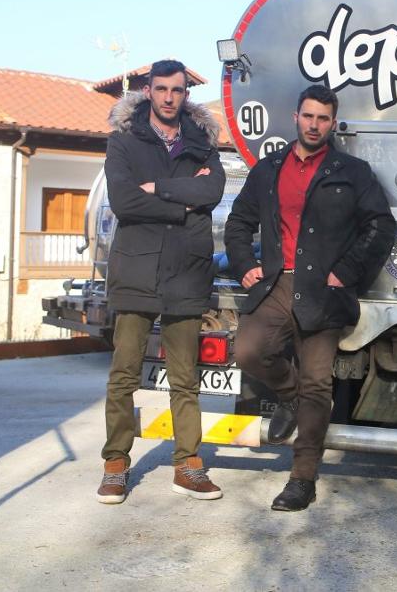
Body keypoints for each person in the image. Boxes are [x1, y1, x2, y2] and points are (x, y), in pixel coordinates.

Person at [224, 84, 395, 511]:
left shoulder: (352, 171)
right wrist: (245, 263)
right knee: (247, 351)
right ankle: (288, 397)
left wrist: (346, 272)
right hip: (277, 284)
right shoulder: (268, 169)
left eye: (323, 118)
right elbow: (238, 222)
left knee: (319, 382)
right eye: (308, 116)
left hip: (324, 290)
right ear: (295, 118)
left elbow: (381, 226)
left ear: (332, 123)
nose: (314, 125)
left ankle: (302, 479)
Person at [96, 59, 227, 505]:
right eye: (162, 89)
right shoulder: (124, 141)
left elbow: (211, 193)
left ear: (186, 93)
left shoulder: (202, 142)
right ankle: (116, 464)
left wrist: (157, 188)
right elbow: (125, 201)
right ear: (148, 91)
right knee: (123, 375)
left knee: (185, 379)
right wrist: (180, 198)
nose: (170, 97)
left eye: (178, 90)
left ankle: (188, 465)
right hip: (136, 269)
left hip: (186, 270)